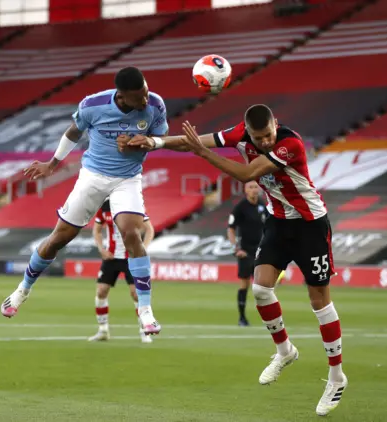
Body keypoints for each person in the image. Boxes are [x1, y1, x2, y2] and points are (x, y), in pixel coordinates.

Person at [121, 104, 346, 416]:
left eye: (268, 135)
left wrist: (202, 153)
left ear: (275, 125)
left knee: (319, 299)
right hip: (279, 223)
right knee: (261, 289)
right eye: (259, 137)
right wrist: (155, 142)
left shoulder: (289, 144)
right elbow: (194, 140)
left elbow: (248, 173)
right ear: (248, 131)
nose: (265, 141)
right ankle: (285, 351)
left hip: (311, 225)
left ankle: (336, 376)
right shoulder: (240, 135)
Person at [0, 67, 168, 336]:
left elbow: (161, 138)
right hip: (93, 175)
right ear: (122, 97)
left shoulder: (156, 105)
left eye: (146, 91)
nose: (146, 99)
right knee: (59, 238)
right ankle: (23, 289)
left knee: (131, 233)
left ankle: (146, 311)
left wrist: (146, 141)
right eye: (140, 96)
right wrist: (52, 164)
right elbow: (73, 132)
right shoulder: (93, 105)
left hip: (128, 178)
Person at [89, 199, 155, 343]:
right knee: (101, 291)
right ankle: (103, 330)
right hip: (111, 257)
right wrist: (101, 249)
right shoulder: (105, 206)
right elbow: (97, 230)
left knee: (136, 294)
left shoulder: (134, 204)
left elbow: (149, 229)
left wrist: (143, 248)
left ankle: (145, 330)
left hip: (131, 257)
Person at [227, 181, 267, 327]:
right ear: (245, 190)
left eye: (256, 187)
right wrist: (236, 249)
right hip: (246, 252)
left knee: (263, 286)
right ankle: (242, 317)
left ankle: (269, 318)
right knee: (244, 284)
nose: (254, 190)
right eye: (250, 187)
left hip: (261, 252)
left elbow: (269, 226)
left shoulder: (263, 205)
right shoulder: (240, 207)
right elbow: (231, 228)